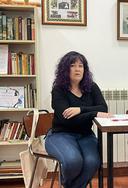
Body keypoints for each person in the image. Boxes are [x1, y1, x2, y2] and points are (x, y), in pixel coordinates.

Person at [45, 51, 111, 188]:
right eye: (73, 65)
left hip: (86, 135)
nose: (77, 69)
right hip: (60, 134)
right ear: (65, 69)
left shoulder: (91, 87)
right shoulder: (58, 90)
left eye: (81, 66)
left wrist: (80, 110)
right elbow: (67, 120)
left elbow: (103, 108)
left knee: (92, 162)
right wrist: (94, 113)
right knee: (73, 161)